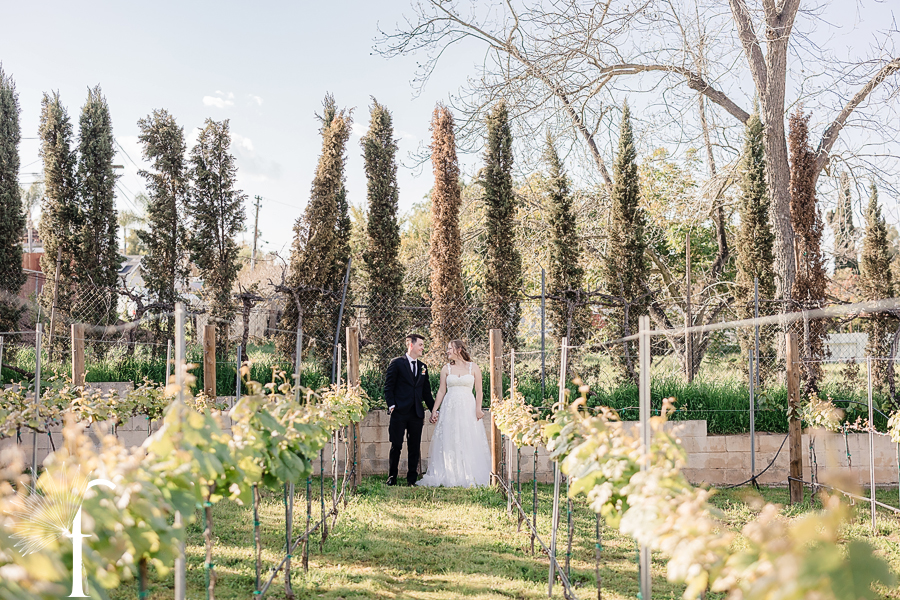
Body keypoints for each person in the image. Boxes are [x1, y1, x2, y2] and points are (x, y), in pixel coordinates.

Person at [417, 339, 491, 488]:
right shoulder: (446, 369)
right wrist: (434, 410)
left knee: (467, 438)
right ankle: (451, 473)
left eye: (450, 349)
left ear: (458, 350)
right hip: (450, 408)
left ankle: (469, 473)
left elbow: (479, 391)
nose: (447, 351)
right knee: (450, 438)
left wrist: (478, 408)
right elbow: (441, 391)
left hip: (468, 408)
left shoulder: (474, 367)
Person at [383, 333, 436, 486]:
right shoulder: (397, 363)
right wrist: (392, 406)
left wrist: (434, 410)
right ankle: (392, 477)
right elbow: (389, 387)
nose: (423, 348)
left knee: (414, 447)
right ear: (411, 345)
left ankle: (411, 479)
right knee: (396, 445)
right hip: (399, 412)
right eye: (420, 345)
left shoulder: (423, 367)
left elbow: (426, 393)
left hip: (416, 414)